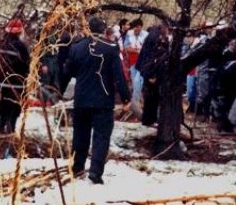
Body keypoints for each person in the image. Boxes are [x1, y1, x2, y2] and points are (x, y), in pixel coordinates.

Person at [66, 17, 130, 184]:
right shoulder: (111, 49)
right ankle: (95, 172)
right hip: (103, 100)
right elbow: (119, 76)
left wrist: (61, 90)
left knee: (80, 135)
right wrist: (125, 98)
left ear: (87, 29)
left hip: (81, 99)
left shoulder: (76, 48)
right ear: (104, 31)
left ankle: (77, 167)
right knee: (101, 137)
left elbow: (69, 72)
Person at [0, 19, 30, 134]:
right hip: (17, 82)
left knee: (4, 103)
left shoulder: (2, 43)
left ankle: (1, 128)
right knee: (15, 105)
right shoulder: (21, 47)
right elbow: (26, 64)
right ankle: (10, 130)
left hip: (3, 81)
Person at [136, 23, 171, 126]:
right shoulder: (155, 39)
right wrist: (151, 75)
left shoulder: (155, 37)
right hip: (151, 73)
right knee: (151, 97)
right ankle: (149, 120)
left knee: (153, 97)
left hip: (152, 72)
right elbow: (151, 58)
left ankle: (151, 119)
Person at [124, 19, 148, 118]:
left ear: (141, 27)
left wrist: (137, 51)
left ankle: (135, 103)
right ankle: (138, 103)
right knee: (135, 83)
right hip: (133, 62)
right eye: (134, 28)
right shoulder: (129, 34)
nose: (136, 30)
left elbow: (147, 49)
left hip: (143, 62)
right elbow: (126, 48)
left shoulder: (146, 35)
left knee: (138, 81)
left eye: (138, 27)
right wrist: (136, 51)